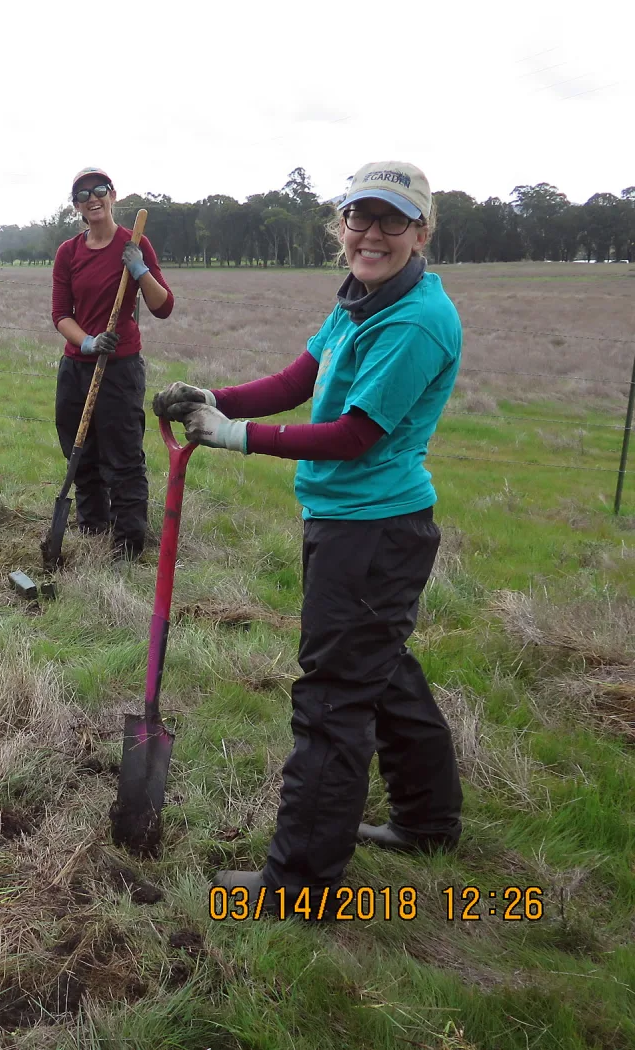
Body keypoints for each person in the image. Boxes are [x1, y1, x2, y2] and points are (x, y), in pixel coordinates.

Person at [154, 161, 464, 911]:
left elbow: (354, 433)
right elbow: (302, 377)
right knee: (378, 668)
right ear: (340, 227)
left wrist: (236, 437)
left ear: (421, 232)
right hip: (353, 524)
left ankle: (300, 885)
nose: (372, 233)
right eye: (359, 216)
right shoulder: (360, 298)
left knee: (332, 700)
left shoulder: (416, 318)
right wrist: (214, 397)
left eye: (392, 220)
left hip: (373, 530)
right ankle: (428, 820)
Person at [52, 166, 175, 560]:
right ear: (76, 207)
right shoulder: (67, 253)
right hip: (77, 365)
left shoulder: (135, 243)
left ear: (113, 195)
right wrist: (87, 342)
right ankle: (92, 525)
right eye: (83, 194)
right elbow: (60, 314)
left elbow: (164, 307)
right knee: (79, 448)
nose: (92, 198)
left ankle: (128, 543)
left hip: (120, 369)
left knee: (122, 454)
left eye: (99, 190)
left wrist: (139, 269)